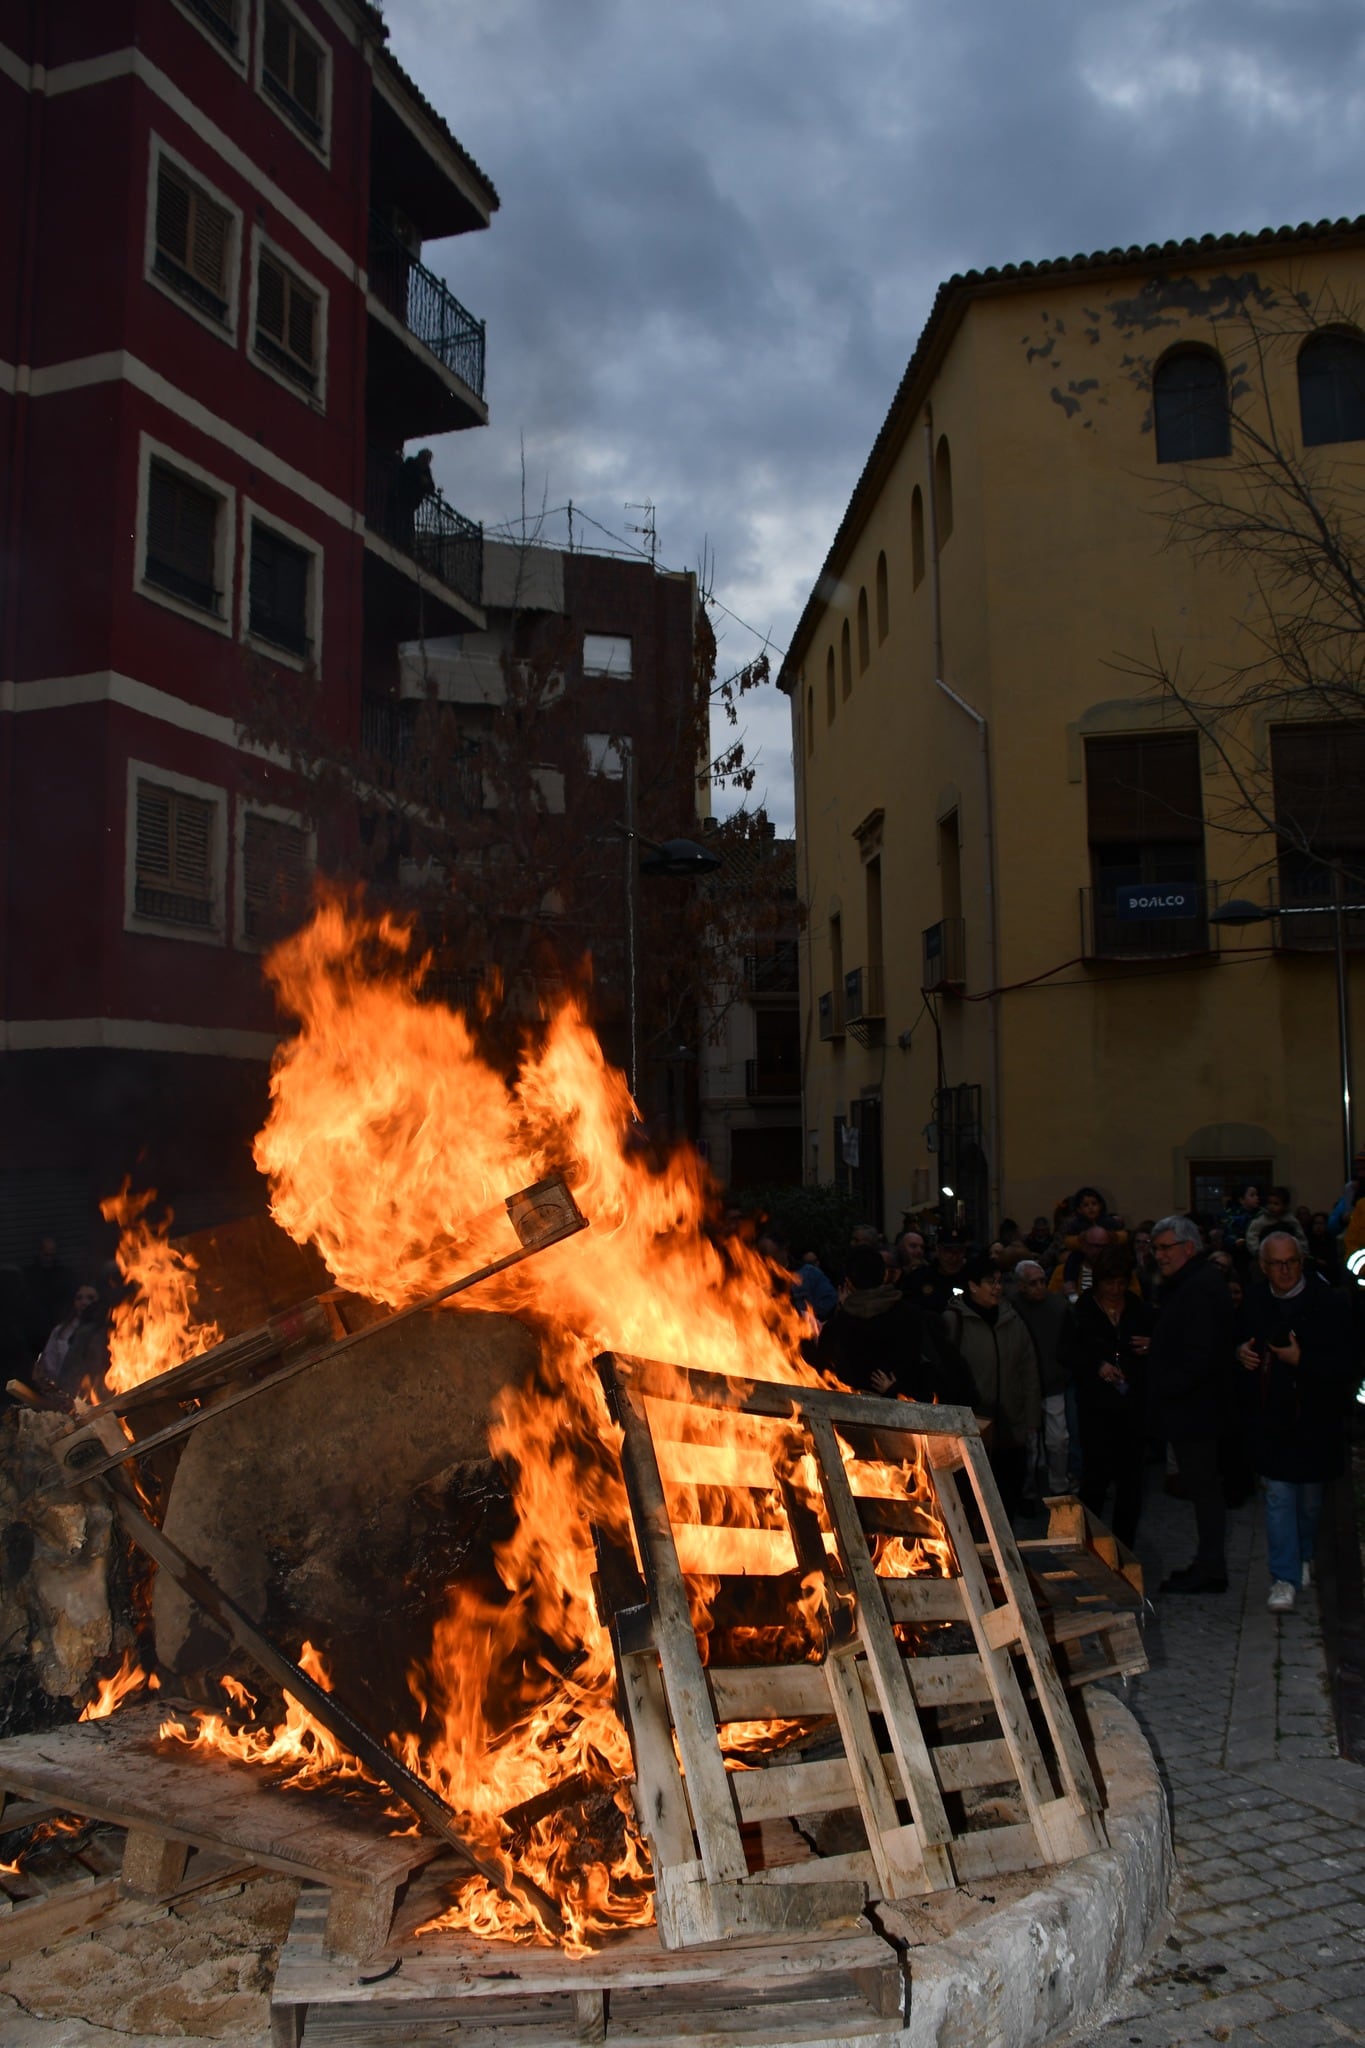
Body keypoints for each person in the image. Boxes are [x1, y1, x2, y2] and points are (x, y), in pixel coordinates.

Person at [1235, 1231, 1356, 1612]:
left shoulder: (1329, 1303)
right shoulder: (1255, 1300)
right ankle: (1283, 1577)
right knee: (1279, 1497)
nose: (1285, 1271)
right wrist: (1240, 1352)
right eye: (1277, 1264)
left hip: (1315, 1422)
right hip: (1271, 1422)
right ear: (1264, 1266)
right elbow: (1236, 1339)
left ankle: (1302, 1557)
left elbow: (1346, 1365)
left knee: (1308, 1502)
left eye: (1291, 1262)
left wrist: (1302, 1361)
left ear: (1301, 1263)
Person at [1147, 1214, 1236, 1593]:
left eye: (1165, 1248)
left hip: (1199, 1409)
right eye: (1155, 1249)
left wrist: (1165, 1384)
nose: (1159, 1256)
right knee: (1202, 1489)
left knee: (1205, 1489)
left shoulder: (1198, 1287)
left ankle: (1211, 1568)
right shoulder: (1191, 1283)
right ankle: (1207, 1562)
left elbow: (1202, 1354)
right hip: (1196, 1406)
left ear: (1188, 1247)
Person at [1059, 1248, 1154, 1546]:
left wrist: (1150, 1347)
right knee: (1096, 1477)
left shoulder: (1137, 1308)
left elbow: (1154, 1343)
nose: (1115, 1290)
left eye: (1120, 1283)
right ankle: (1092, 1543)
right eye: (1109, 1283)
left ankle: (1124, 1545)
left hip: (1131, 1405)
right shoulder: (1082, 1311)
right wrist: (1097, 1365)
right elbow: (1067, 1351)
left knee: (1131, 1480)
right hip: (1096, 1406)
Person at [940, 1254, 1041, 1521]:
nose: (997, 1287)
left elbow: (1028, 1370)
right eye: (989, 1282)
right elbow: (944, 1374)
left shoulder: (1013, 1321)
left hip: (1009, 1428)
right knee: (971, 1502)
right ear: (972, 1286)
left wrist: (1031, 1420)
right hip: (972, 1429)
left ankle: (1003, 1557)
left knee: (1006, 1499)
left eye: (999, 1281)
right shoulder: (954, 1321)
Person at [817, 1244, 975, 1406]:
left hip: (845, 1420)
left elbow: (821, 1376)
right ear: (885, 1275)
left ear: (849, 1282)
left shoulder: (837, 1328)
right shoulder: (913, 1317)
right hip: (908, 1418)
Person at [1010, 1259, 1074, 1495]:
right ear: (1021, 1286)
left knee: (1058, 1440)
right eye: (1033, 1283)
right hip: (1025, 1385)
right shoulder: (1011, 1309)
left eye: (1042, 1281)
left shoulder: (1057, 1307)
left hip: (1052, 1381)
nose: (1039, 1287)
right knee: (1030, 1443)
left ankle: (1058, 1484)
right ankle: (1029, 1488)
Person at [906, 1230, 968, 1315]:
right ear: (938, 1250)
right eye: (948, 1251)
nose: (954, 1258)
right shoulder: (920, 1277)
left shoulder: (971, 1279)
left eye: (959, 1251)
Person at [795, 1248, 839, 1325]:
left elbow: (831, 1300)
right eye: (809, 1263)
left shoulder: (823, 1279)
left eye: (815, 1261)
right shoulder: (803, 1277)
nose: (813, 1266)